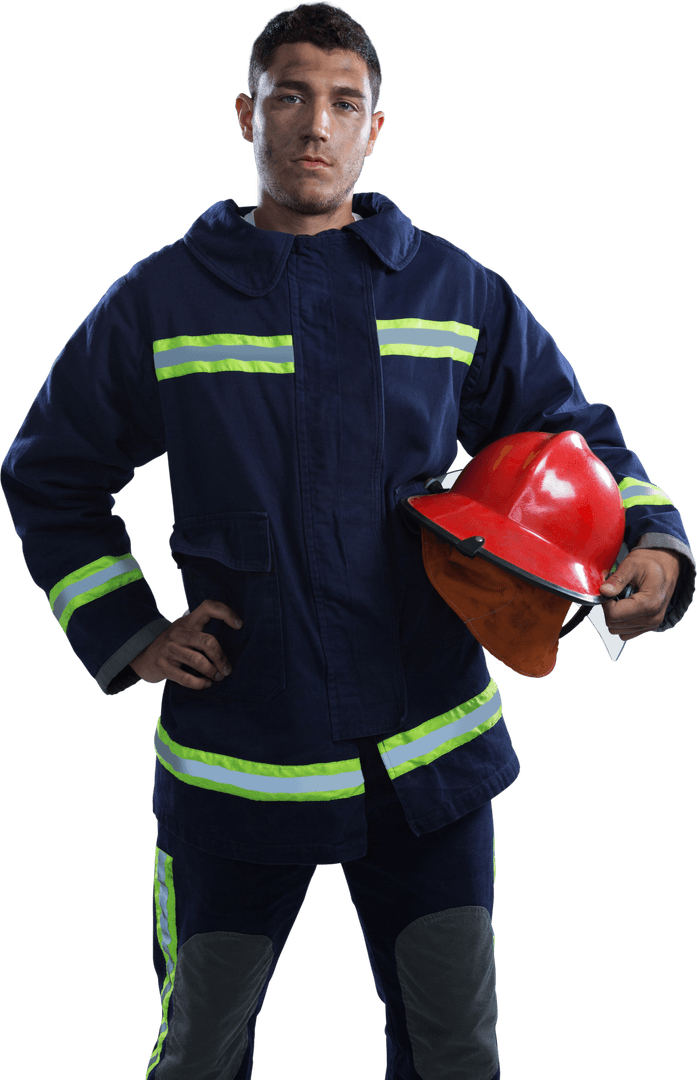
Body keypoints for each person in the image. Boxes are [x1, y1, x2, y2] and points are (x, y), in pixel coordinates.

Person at [1, 3, 693, 1078]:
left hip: (430, 756)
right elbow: (49, 469)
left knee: (454, 1053)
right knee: (198, 1052)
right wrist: (127, 628)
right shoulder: (162, 301)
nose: (313, 125)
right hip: (240, 761)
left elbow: (572, 438)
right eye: (287, 96)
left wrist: (652, 537)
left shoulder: (453, 290)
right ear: (246, 114)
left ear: (376, 129)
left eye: (342, 103)